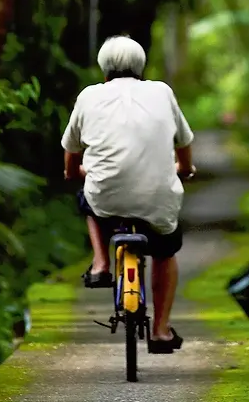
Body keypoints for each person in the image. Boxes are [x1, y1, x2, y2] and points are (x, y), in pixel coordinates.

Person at [61, 35, 195, 354]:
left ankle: (100, 263)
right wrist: (185, 169)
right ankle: (161, 332)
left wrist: (71, 174)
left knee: (87, 199)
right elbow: (183, 143)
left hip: (105, 197)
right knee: (164, 253)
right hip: (157, 198)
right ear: (141, 66)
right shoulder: (162, 92)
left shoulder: (89, 96)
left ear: (104, 70)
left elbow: (71, 151)